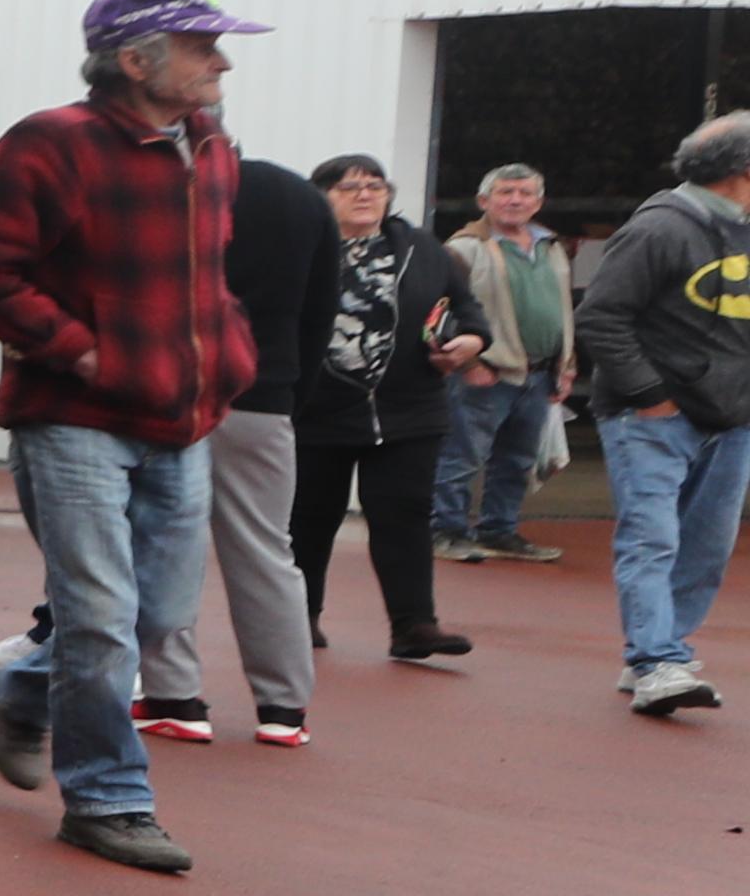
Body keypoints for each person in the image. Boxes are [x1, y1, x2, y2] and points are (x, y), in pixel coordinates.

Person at [0, 0, 264, 876]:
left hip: (183, 419)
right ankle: (107, 799)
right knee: (99, 613)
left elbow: (207, 275)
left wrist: (231, 350)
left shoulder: (211, 146)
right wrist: (81, 352)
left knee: (159, 615)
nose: (222, 60)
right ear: (137, 62)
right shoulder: (48, 144)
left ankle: (23, 691)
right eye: (202, 45)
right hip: (74, 419)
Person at [130, 149, 327, 750]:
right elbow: (319, 310)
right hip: (265, 395)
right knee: (267, 549)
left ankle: (174, 696)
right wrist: (294, 392)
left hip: (175, 389)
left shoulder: (168, 191)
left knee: (168, 542)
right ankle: (284, 708)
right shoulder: (301, 197)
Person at [573, 111, 750, 715]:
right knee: (653, 538)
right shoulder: (660, 229)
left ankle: (659, 649)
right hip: (651, 418)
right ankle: (656, 662)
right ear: (740, 172)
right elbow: (601, 316)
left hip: (732, 420)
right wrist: (652, 396)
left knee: (706, 545)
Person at [283, 155, 480, 668]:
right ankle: (299, 618)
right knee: (309, 517)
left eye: (375, 186)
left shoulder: (422, 249)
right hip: (318, 410)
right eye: (350, 187)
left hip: (409, 409)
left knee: (405, 515)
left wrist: (471, 340)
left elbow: (466, 308)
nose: (366, 195)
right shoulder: (301, 247)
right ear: (322, 195)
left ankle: (414, 624)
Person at [435, 166, 575, 561]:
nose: (515, 200)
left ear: (539, 202)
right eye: (505, 192)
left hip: (540, 372)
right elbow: (437, 311)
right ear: (484, 202)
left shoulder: (552, 246)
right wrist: (467, 363)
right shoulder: (464, 249)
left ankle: (499, 529)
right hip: (485, 374)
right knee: (462, 455)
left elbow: (564, 308)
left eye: (525, 193)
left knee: (517, 460)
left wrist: (566, 364)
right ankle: (444, 529)